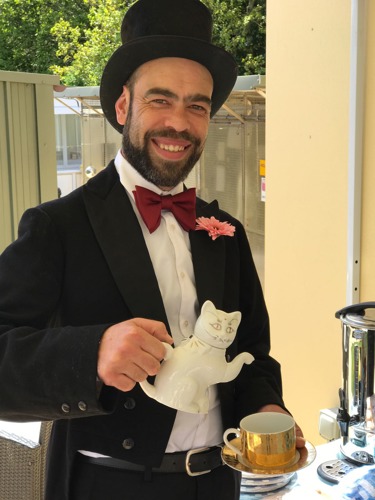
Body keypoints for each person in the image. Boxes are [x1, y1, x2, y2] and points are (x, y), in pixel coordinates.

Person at [0, 1, 304, 499]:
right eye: (160, 100)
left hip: (219, 483)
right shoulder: (58, 226)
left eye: (197, 106)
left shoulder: (224, 230)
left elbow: (253, 354)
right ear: (123, 108)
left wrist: (267, 407)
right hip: (105, 486)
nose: (179, 123)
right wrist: (89, 353)